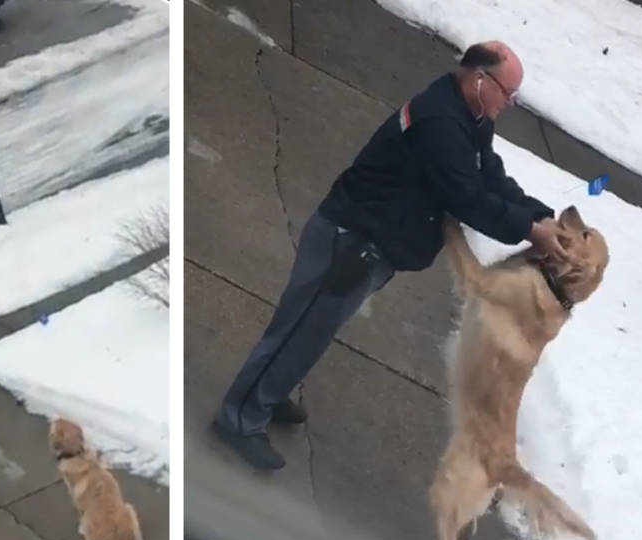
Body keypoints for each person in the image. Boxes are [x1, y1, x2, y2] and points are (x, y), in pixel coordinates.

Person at [212, 41, 570, 470]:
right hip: (350, 239)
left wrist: (539, 215)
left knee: (313, 331)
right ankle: (238, 419)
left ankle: (266, 393)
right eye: (508, 92)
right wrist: (529, 230)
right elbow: (468, 198)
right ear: (479, 79)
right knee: (297, 329)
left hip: (376, 244)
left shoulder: (470, 115)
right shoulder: (442, 123)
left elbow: (488, 175)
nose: (511, 103)